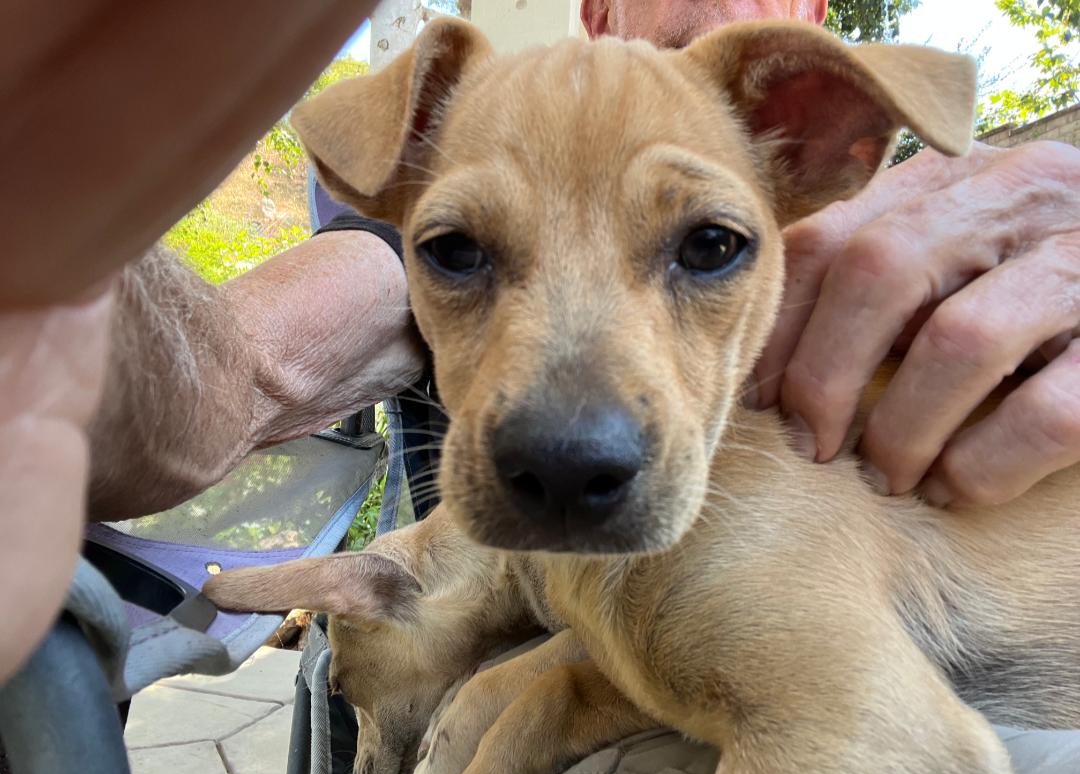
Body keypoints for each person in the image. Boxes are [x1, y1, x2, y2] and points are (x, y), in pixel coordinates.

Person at [1, 0, 1076, 688]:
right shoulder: (457, 134)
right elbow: (268, 350)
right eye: (464, 253)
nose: (573, 425)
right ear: (603, 9)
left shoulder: (941, 202)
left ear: (808, 49)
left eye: (705, 246)